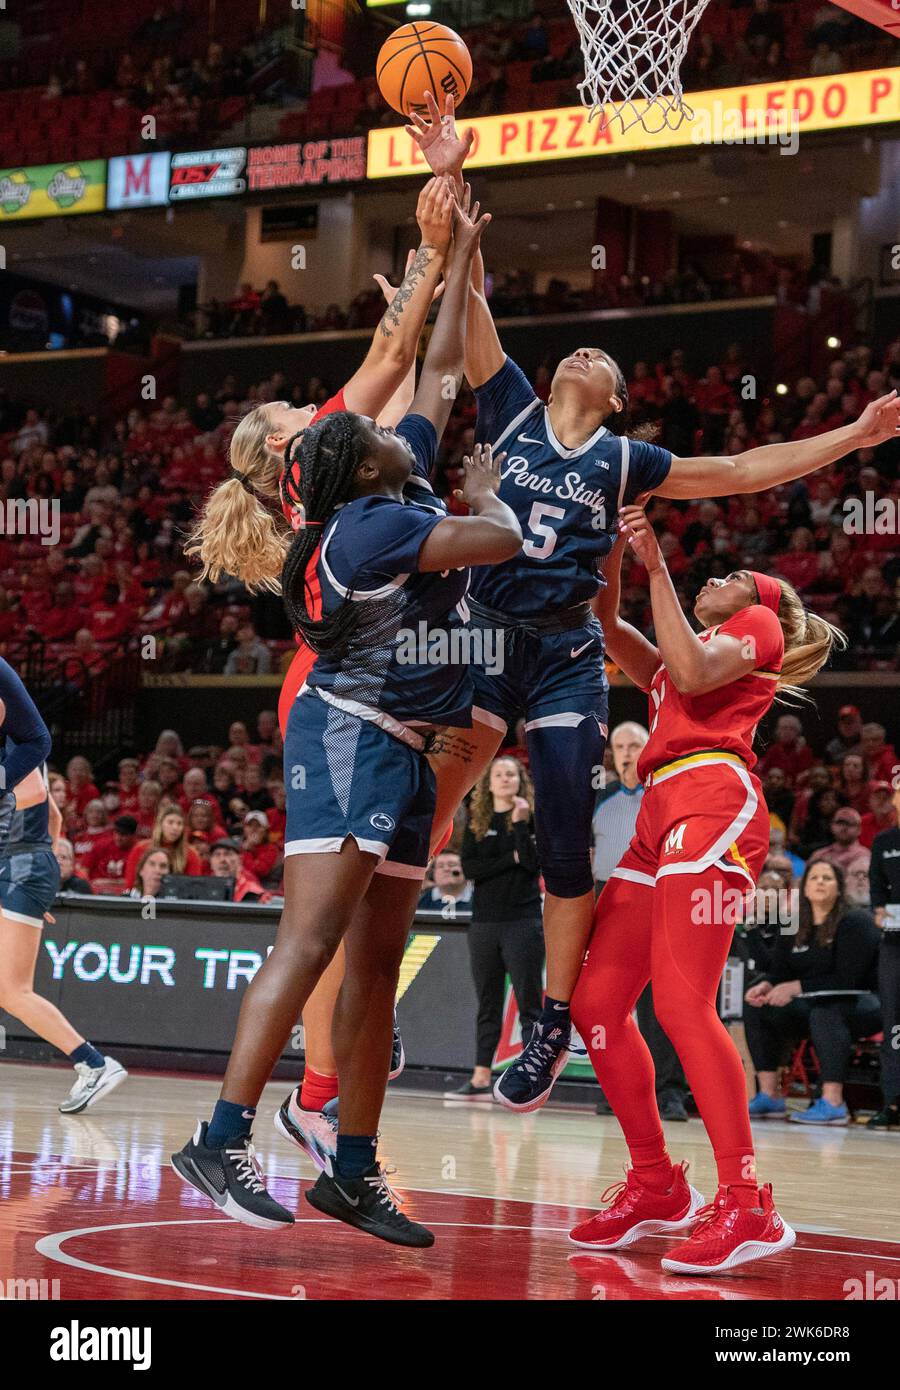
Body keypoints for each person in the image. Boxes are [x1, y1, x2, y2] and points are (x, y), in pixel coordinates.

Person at [403, 88, 900, 1112]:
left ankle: (548, 1020)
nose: (582, 352)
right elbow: (472, 284)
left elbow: (750, 463)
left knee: (567, 832)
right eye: (575, 349)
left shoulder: (631, 458)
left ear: (620, 394)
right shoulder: (517, 406)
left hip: (567, 654)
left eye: (602, 356)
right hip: (487, 634)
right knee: (426, 809)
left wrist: (851, 437)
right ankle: (363, 962)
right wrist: (451, 170)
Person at [172, 198, 522, 1247]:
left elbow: (440, 373)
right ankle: (222, 1134)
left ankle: (352, 1168)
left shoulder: (386, 481)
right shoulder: (365, 530)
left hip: (408, 746)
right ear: (350, 469)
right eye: (365, 432)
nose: (385, 422)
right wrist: (489, 494)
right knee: (312, 936)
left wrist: (459, 253)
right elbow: (498, 538)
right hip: (349, 733)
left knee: (376, 963)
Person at [567, 507, 842, 1273]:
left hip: (714, 802)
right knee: (597, 1006)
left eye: (730, 577)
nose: (714, 579)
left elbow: (689, 671)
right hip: (660, 812)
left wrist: (658, 565)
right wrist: (612, 551)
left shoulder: (762, 624)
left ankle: (749, 1202)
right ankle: (656, 1183)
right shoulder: (677, 657)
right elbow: (609, 625)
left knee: (682, 1005)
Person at [0, 659, 127, 1114]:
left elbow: (34, 804)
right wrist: (42, 875)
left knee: (11, 991)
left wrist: (34, 875)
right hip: (22, 867)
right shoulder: (19, 754)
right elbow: (52, 817)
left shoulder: (17, 754)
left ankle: (93, 1064)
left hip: (20, 864)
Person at [593, 720, 690, 1122]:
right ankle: (620, 1090)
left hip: (658, 899)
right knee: (610, 1004)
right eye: (621, 746)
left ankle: (669, 1092)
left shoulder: (665, 794)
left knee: (661, 1004)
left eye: (636, 744)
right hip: (608, 900)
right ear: (612, 756)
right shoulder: (600, 798)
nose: (629, 752)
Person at [744, 860, 881, 1127]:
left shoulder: (855, 921)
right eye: (814, 878)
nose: (819, 882)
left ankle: (833, 1102)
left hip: (864, 1003)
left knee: (826, 1011)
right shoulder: (794, 924)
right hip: (814, 1003)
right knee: (757, 1005)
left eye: (827, 878)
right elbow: (780, 970)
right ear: (804, 887)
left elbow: (847, 979)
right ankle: (769, 1095)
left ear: (839, 888)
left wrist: (796, 988)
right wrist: (768, 985)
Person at [451, 756, 543, 1100]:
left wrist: (520, 826)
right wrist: (510, 861)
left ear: (521, 780)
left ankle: (531, 1079)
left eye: (511, 774)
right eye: (499, 774)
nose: (505, 779)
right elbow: (470, 869)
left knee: (529, 1003)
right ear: (488, 783)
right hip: (485, 923)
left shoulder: (531, 818)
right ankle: (479, 1077)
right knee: (487, 1003)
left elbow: (533, 863)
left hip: (524, 921)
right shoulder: (477, 821)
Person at [867, 785, 900, 1129]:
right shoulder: (885, 841)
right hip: (893, 943)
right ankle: (892, 1102)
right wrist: (878, 911)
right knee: (893, 1024)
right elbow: (877, 887)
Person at [808, 808, 871, 878]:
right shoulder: (819, 855)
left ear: (859, 830)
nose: (844, 827)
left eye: (850, 824)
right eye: (840, 823)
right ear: (832, 826)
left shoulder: (865, 856)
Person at [417, 849, 473, 915]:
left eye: (452, 865)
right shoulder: (420, 901)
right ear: (433, 874)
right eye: (440, 866)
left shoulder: (482, 899)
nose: (446, 869)